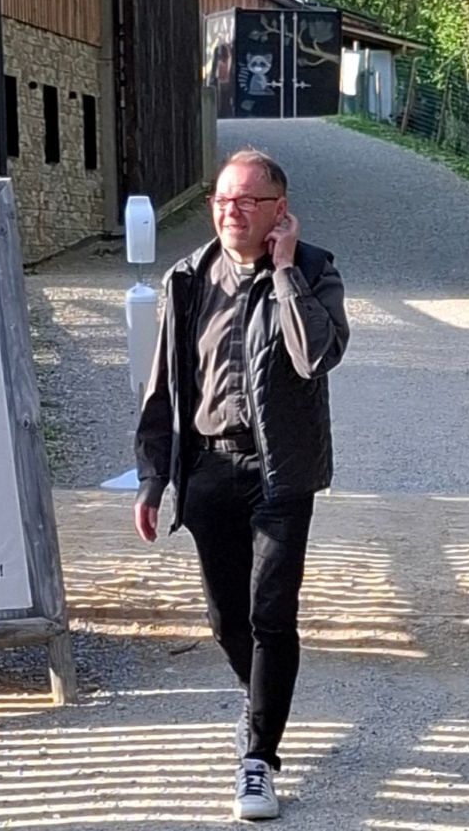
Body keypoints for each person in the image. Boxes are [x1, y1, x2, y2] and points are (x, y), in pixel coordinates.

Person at [133, 148, 349, 820]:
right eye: (223, 200)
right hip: (206, 467)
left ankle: (257, 758)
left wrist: (284, 272)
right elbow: (163, 387)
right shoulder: (186, 278)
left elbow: (316, 355)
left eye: (249, 200)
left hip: (280, 471)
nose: (232, 211)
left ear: (279, 210)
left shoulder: (314, 269)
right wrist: (152, 477)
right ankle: (260, 703)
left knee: (271, 614)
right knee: (227, 620)